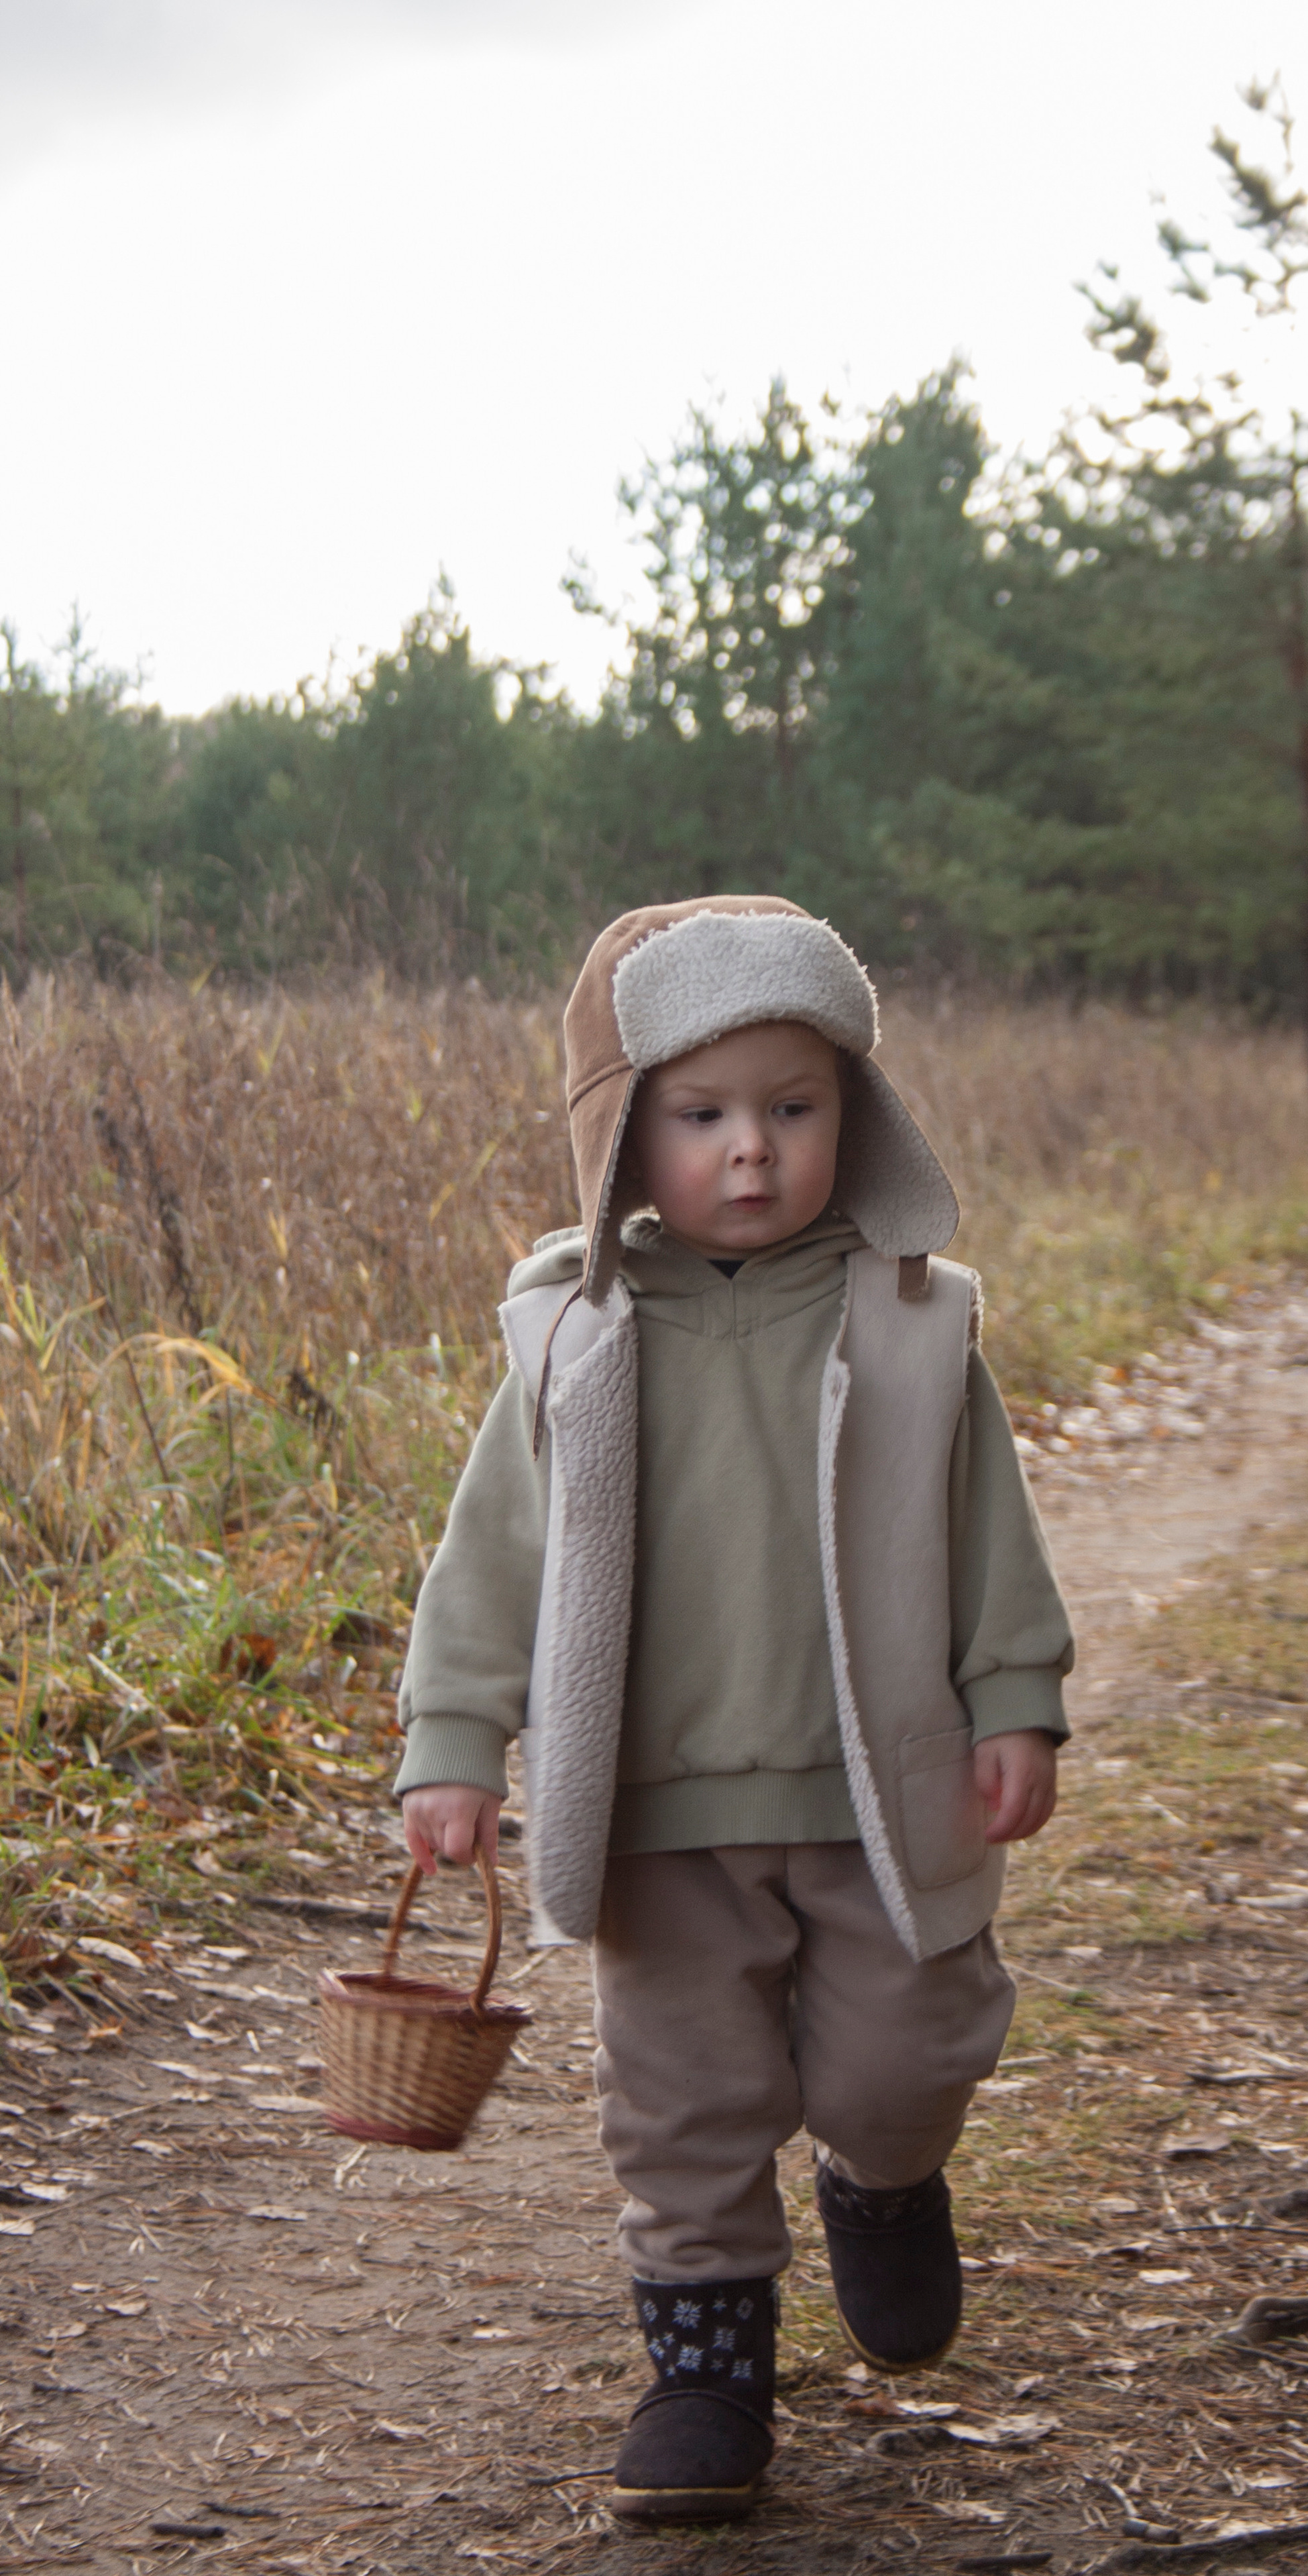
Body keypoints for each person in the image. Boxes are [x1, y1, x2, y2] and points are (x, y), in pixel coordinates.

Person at [394, 895, 1073, 2523]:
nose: (750, 1152)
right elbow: (492, 1551)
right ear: (626, 1134)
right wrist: (454, 1739)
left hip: (875, 1785)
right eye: (701, 1116)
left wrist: (1015, 1698)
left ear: (856, 1113)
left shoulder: (910, 1321)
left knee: (906, 2049)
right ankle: (704, 2375)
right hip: (658, 1812)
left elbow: (986, 1525)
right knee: (681, 2101)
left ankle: (884, 2177)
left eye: (792, 1107)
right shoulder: (572, 1334)